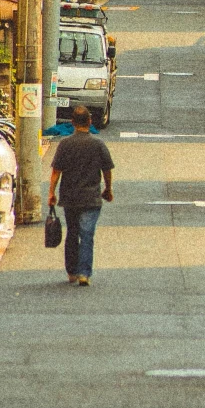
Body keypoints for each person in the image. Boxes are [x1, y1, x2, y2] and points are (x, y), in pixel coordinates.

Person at [48, 104, 114, 286]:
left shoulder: (65, 144)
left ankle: (71, 271)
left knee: (72, 232)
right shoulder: (98, 144)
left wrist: (51, 193)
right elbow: (107, 169)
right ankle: (84, 273)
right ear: (90, 122)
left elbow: (56, 172)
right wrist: (108, 189)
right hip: (91, 197)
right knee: (87, 234)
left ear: (72, 123)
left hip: (70, 197)